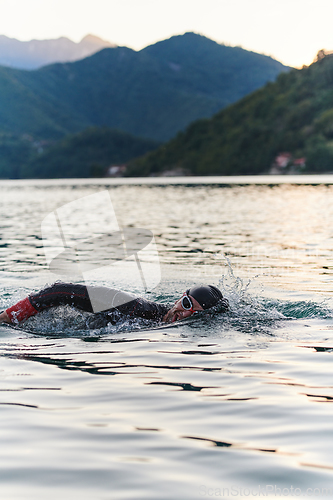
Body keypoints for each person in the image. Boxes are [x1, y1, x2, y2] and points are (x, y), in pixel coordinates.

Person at [0, 282, 229, 328]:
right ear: (180, 297)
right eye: (185, 302)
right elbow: (58, 291)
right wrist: (8, 317)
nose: (182, 312)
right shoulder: (137, 308)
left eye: (192, 311)